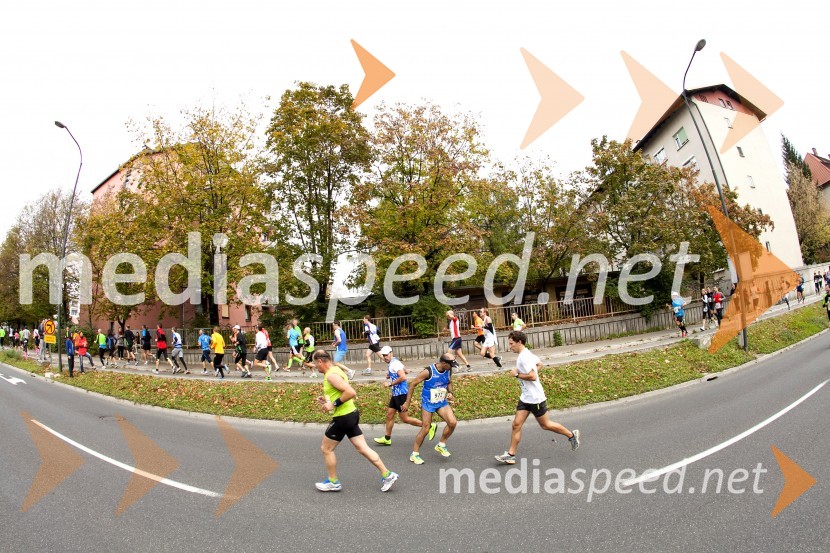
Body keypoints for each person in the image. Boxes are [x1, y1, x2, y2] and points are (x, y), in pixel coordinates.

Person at [312, 349, 399, 493]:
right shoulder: (336, 370)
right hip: (351, 414)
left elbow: (351, 392)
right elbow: (340, 392)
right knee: (363, 448)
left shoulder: (331, 375)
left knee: (326, 449)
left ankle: (333, 482)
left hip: (343, 417)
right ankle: (387, 474)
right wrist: (327, 400)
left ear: (320, 361)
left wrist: (332, 404)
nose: (316, 367)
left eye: (316, 364)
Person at [494, 331, 580, 465]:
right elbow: (540, 364)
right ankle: (511, 455)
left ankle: (571, 435)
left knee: (545, 425)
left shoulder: (524, 357)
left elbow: (533, 376)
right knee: (516, 424)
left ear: (519, 342)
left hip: (535, 399)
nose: (509, 347)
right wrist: (522, 373)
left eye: (511, 344)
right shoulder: (526, 354)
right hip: (526, 397)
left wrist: (517, 375)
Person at [403, 354, 458, 465]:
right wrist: (407, 402)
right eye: (450, 364)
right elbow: (413, 384)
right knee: (426, 428)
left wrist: (450, 392)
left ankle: (441, 444)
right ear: (443, 363)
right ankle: (414, 454)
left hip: (441, 402)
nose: (452, 367)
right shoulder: (428, 371)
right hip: (428, 403)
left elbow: (449, 382)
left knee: (452, 422)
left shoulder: (449, 369)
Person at [373, 346, 423, 446]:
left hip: (401, 394)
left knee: (405, 418)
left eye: (386, 355)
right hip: (396, 394)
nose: (385, 357)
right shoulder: (394, 361)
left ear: (391, 353)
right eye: (383, 355)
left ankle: (428, 426)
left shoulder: (394, 363)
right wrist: (391, 375)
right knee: (389, 415)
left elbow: (403, 377)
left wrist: (390, 383)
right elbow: (406, 371)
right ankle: (387, 438)